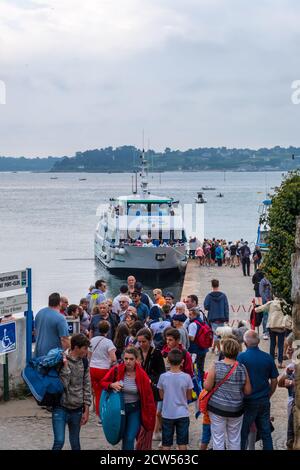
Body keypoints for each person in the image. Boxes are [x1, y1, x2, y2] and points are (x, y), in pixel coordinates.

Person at [101, 347, 156, 450]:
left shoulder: (142, 375)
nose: (128, 361)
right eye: (126, 358)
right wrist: (111, 385)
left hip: (135, 410)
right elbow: (103, 382)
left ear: (136, 360)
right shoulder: (116, 370)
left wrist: (149, 415)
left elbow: (148, 397)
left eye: (131, 359)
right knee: (123, 437)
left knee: (130, 437)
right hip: (118, 410)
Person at [204, 338, 252, 450]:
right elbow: (248, 391)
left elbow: (207, 386)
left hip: (217, 408)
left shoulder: (216, 366)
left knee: (218, 438)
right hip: (236, 409)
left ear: (223, 351)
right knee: (235, 438)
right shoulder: (242, 368)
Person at [238, 330, 279, 450]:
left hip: (247, 401)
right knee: (266, 432)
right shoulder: (267, 357)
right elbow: (274, 380)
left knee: (243, 433)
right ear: (259, 342)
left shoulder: (241, 357)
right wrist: (269, 394)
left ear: (245, 343)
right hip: (263, 400)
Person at [52, 333, 91, 450]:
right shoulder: (60, 359)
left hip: (77, 408)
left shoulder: (84, 362)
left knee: (75, 443)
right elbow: (62, 385)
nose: (86, 351)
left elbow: (87, 386)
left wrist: (87, 410)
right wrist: (66, 368)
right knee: (59, 441)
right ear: (76, 348)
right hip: (60, 406)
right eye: (84, 348)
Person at [157, 349, 193, 450]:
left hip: (167, 414)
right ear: (182, 362)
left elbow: (161, 396)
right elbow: (189, 397)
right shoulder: (187, 377)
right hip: (183, 414)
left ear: (168, 361)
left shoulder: (163, 377)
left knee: (166, 444)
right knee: (182, 444)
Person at [136, 328, 166, 449]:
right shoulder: (136, 352)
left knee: (149, 416)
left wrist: (150, 380)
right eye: (139, 342)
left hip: (151, 390)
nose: (142, 344)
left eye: (144, 341)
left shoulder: (156, 353)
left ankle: (145, 443)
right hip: (138, 389)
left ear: (150, 340)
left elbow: (161, 373)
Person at [89, 320, 117, 420]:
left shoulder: (92, 340)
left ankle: (97, 413)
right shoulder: (108, 342)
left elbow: (89, 355)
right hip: (103, 369)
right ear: (108, 330)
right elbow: (113, 358)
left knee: (96, 392)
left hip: (92, 368)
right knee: (103, 393)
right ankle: (101, 416)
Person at [255, 297, 289, 368]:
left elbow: (259, 309)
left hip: (272, 326)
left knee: (272, 344)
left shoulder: (271, 303)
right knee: (280, 345)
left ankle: (271, 363)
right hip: (281, 327)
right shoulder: (285, 304)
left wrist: (255, 307)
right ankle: (280, 363)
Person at [34, 292, 70, 357]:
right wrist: (68, 354)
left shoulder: (39, 313)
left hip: (38, 354)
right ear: (60, 303)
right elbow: (64, 339)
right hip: (52, 357)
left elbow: (35, 332)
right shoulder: (61, 318)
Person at [204, 280, 229, 354]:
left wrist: (212, 308)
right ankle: (216, 349)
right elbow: (226, 307)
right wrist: (227, 318)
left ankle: (219, 350)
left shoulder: (209, 296)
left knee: (215, 334)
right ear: (218, 285)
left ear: (212, 285)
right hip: (221, 317)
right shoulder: (223, 296)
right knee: (219, 334)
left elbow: (206, 306)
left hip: (212, 317)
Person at [187, 307, 208, 384]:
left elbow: (192, 338)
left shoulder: (193, 324)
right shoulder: (202, 322)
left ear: (195, 315)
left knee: (194, 369)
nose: (189, 316)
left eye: (190, 314)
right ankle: (201, 383)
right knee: (200, 368)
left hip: (195, 350)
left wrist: (186, 335)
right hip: (203, 349)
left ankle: (197, 385)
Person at [259, 274, 273, 339]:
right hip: (265, 302)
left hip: (272, 301)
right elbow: (261, 292)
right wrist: (266, 299)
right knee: (266, 316)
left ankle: (270, 331)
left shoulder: (271, 279)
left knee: (271, 316)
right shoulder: (263, 281)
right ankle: (265, 332)